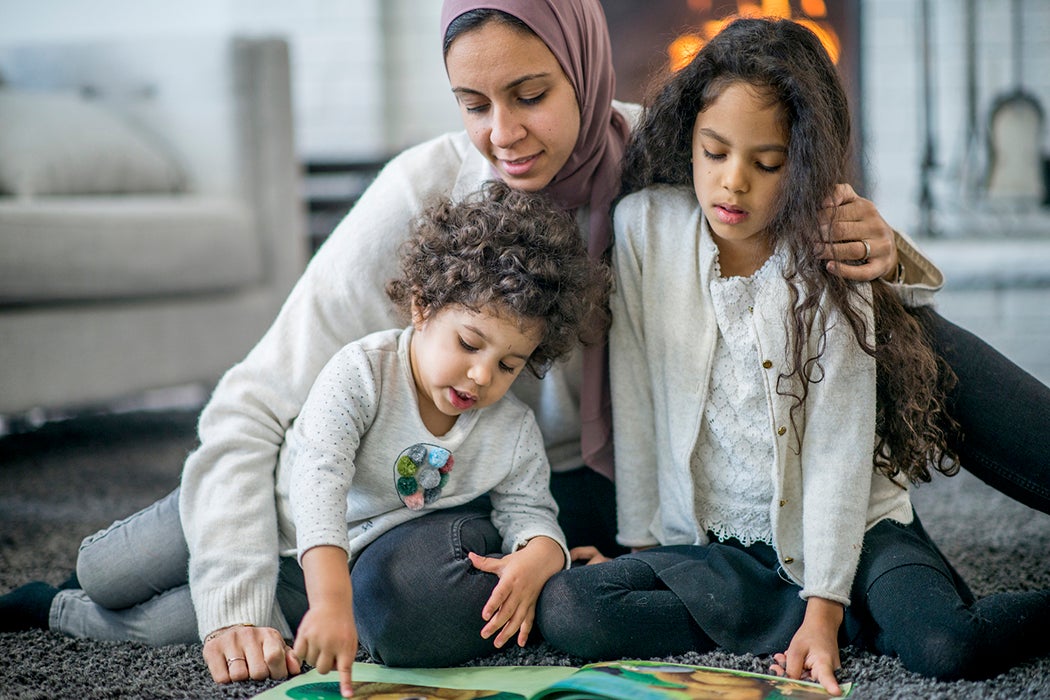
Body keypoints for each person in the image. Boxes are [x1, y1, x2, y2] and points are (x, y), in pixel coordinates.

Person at [1, 0, 1046, 688]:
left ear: (586, 67)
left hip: (566, 474)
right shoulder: (424, 190)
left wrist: (883, 243)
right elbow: (257, 407)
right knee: (231, 572)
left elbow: (785, 194)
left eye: (532, 94)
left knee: (899, 324)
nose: (502, 131)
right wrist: (237, 588)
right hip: (408, 456)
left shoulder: (667, 161)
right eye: (473, 104)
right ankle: (75, 597)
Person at [535, 17, 1050, 696]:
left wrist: (825, 600)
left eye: (767, 163)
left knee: (945, 644)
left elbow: (840, 446)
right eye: (714, 152)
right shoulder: (645, 229)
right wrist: (645, 550)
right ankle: (836, 620)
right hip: (723, 550)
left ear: (802, 162)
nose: (733, 183)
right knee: (572, 608)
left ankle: (840, 614)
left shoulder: (830, 253)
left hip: (854, 532)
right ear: (688, 135)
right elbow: (638, 392)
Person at [0, 181, 609, 699]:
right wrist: (334, 601)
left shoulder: (511, 432)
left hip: (301, 581)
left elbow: (532, 509)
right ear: (423, 307)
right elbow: (319, 481)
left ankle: (51, 609)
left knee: (162, 627)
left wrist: (541, 554)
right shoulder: (363, 372)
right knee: (103, 571)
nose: (482, 376)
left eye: (508, 365)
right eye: (470, 344)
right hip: (257, 516)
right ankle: (80, 580)